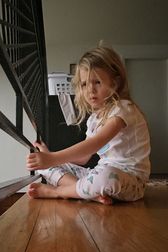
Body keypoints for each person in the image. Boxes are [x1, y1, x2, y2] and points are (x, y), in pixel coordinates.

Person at [26, 42, 151, 205]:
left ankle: (60, 192)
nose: (90, 90)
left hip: (129, 180)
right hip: (99, 173)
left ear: (115, 82)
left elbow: (94, 144)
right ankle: (89, 192)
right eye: (84, 84)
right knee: (43, 167)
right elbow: (84, 158)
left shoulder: (124, 109)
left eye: (97, 82)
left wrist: (52, 158)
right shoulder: (94, 119)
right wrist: (49, 156)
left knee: (106, 177)